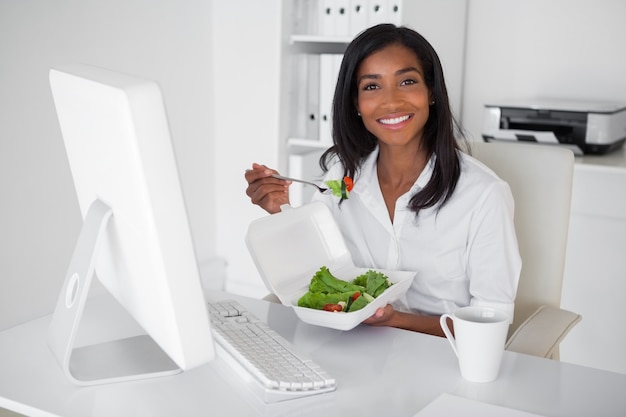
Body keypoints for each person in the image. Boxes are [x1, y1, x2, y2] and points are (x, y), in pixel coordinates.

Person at [245, 24, 521, 337]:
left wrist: (394, 320)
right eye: (372, 87)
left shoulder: (483, 194)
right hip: (350, 345)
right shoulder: (341, 174)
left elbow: (491, 323)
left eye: (407, 81)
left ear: (431, 92)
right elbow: (319, 272)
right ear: (355, 103)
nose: (391, 102)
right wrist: (280, 210)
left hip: (443, 357)